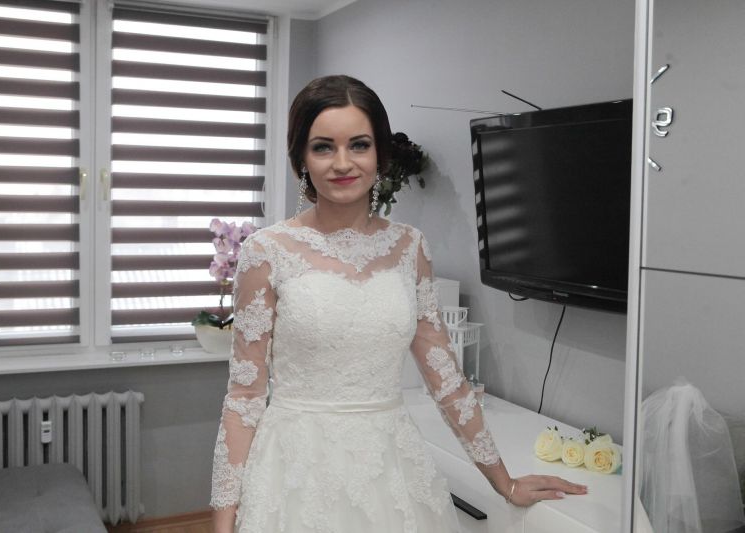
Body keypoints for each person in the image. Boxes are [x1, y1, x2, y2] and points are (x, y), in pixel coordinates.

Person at [210, 75, 587, 533]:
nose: (343, 163)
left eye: (359, 145)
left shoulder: (410, 247)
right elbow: (244, 396)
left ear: (380, 154)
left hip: (390, 470)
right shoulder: (267, 251)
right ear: (301, 159)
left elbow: (446, 379)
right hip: (295, 474)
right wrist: (222, 524)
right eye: (323, 147)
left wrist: (504, 482)